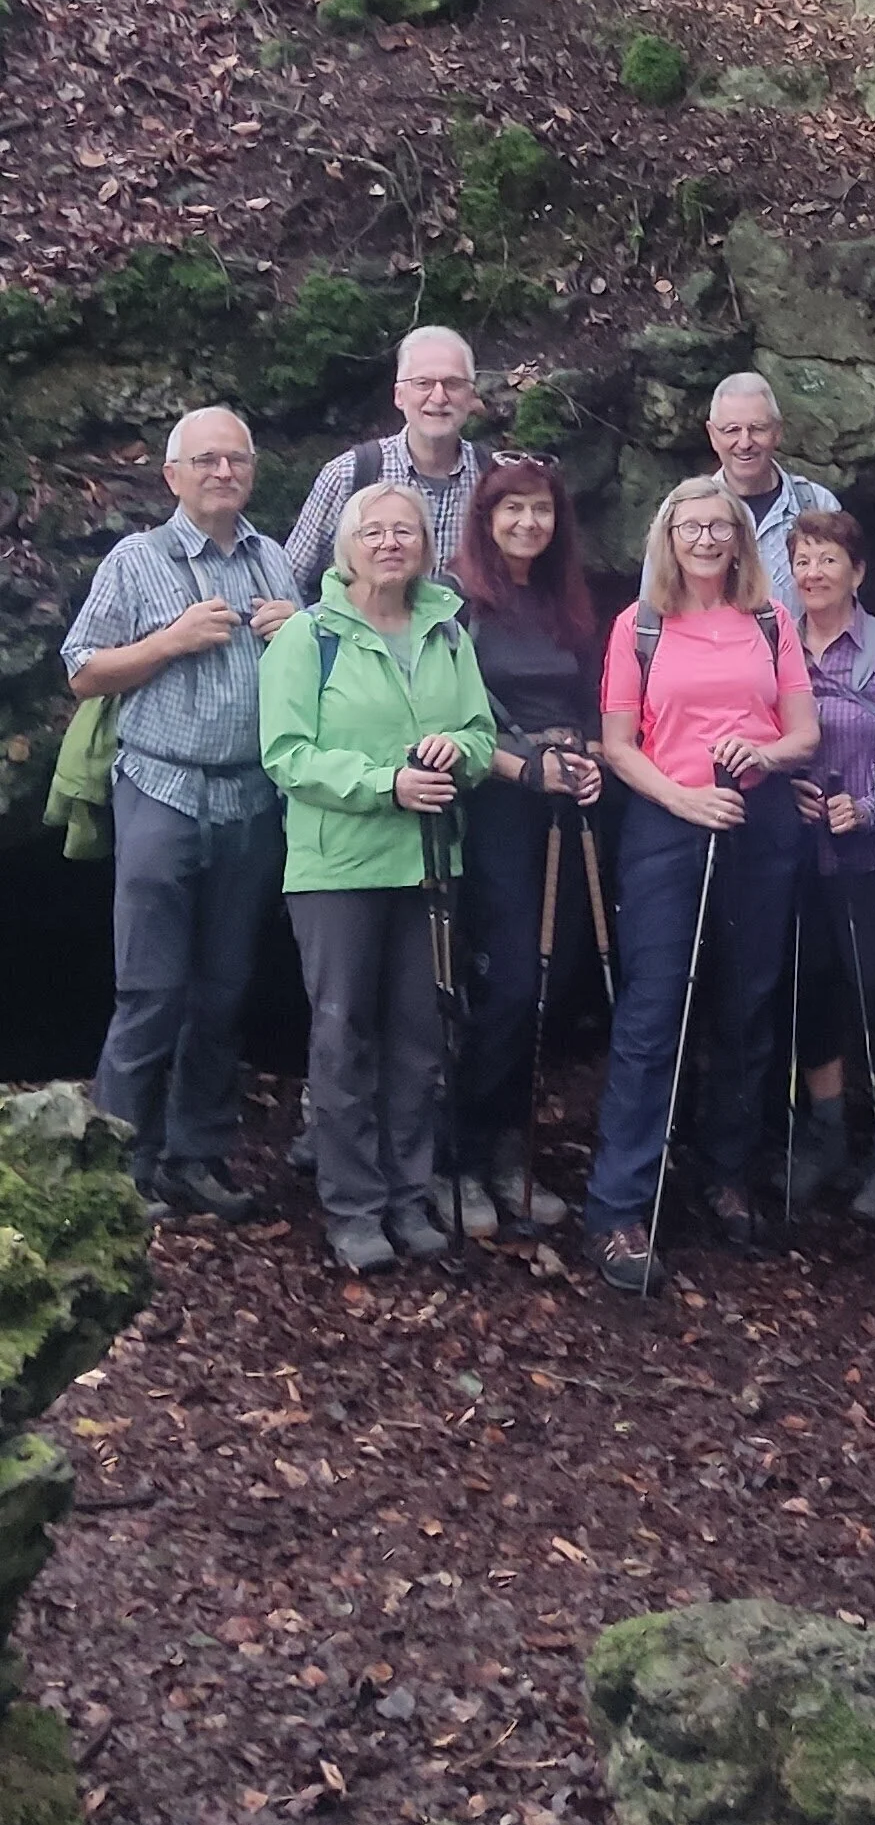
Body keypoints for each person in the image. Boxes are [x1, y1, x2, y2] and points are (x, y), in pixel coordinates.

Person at [62, 406, 302, 1220]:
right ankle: (113, 1171)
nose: (223, 473)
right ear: (172, 476)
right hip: (161, 790)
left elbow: (318, 678)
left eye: (236, 460)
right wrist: (168, 641)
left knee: (224, 990)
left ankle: (196, 1157)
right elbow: (83, 669)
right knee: (150, 990)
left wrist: (299, 632)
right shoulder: (137, 560)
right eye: (206, 461)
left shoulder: (274, 561)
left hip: (250, 797)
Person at [258, 479, 496, 1274]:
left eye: (406, 531)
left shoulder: (447, 632)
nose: (391, 543)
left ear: (426, 545)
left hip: (430, 863)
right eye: (375, 531)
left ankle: (409, 1194)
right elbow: (286, 754)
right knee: (343, 1034)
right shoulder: (309, 637)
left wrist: (454, 756)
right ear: (347, 545)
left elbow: (478, 730)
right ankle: (354, 1207)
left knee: (420, 1037)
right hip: (337, 868)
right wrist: (383, 782)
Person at [585, 480, 818, 1291]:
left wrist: (769, 757)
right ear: (667, 535)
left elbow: (804, 731)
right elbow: (618, 743)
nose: (709, 537)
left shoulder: (769, 621)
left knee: (748, 1007)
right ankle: (621, 1206)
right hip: (667, 821)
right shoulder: (638, 625)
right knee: (656, 1011)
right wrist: (683, 797)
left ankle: (726, 1175)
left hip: (759, 822)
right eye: (693, 525)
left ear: (742, 538)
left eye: (723, 525)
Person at [449, 454, 602, 1239]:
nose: (527, 524)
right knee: (505, 982)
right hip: (496, 810)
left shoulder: (567, 601)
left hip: (566, 810)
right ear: (486, 518)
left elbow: (595, 705)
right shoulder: (458, 602)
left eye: (540, 510)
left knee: (552, 979)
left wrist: (587, 759)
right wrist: (527, 766)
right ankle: (461, 1156)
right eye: (512, 511)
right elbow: (452, 708)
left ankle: (512, 1151)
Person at [783, 509, 875, 1224]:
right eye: (803, 560)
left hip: (872, 858)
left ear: (857, 572)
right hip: (798, 857)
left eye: (828, 559)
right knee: (814, 992)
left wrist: (864, 807)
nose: (814, 573)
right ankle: (825, 1139)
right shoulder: (776, 649)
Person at [284, 327, 488, 604]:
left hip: (462, 645)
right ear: (399, 395)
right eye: (423, 383)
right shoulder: (350, 474)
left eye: (453, 384)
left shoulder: (492, 479)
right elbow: (288, 583)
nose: (439, 397)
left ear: (471, 396)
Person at [648, 374, 838, 622]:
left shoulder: (818, 505)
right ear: (712, 435)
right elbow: (654, 604)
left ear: (777, 432)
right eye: (732, 430)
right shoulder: (680, 512)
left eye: (757, 429)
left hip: (802, 660)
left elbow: (844, 607)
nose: (745, 442)